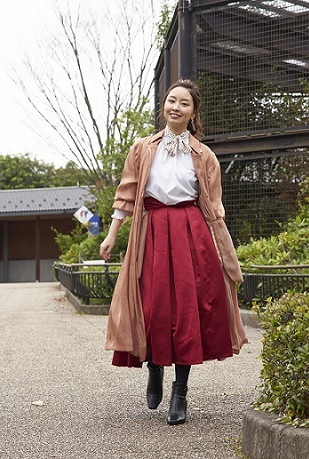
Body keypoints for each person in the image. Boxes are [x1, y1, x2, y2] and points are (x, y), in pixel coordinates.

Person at [99, 79, 248, 425]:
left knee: (187, 313)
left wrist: (223, 250)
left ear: (194, 113)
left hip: (191, 235)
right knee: (153, 307)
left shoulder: (204, 155)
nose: (175, 107)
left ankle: (179, 393)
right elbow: (125, 195)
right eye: (171, 101)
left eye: (184, 103)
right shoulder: (141, 148)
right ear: (163, 106)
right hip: (150, 233)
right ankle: (155, 368)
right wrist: (110, 237)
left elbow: (213, 206)